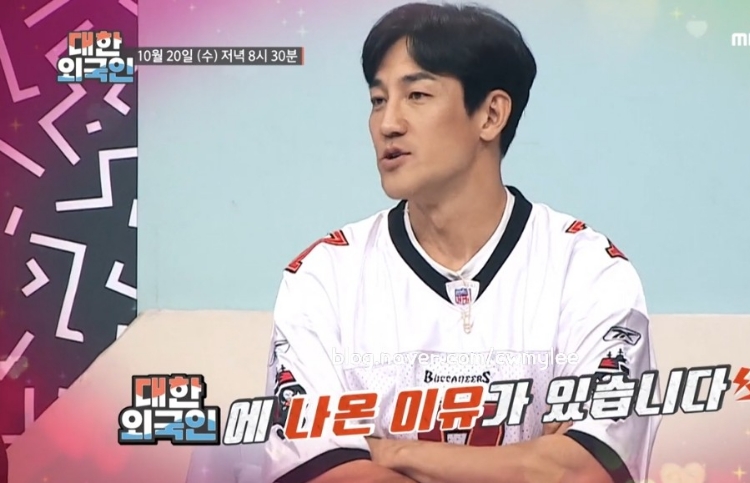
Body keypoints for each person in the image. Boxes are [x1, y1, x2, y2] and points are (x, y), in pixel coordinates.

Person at [264, 3, 659, 483]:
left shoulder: (588, 271)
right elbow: (325, 474)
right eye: (377, 100)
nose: (388, 123)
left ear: (490, 115)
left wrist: (391, 451)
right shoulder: (324, 278)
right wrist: (532, 462)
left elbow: (583, 472)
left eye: (417, 95)